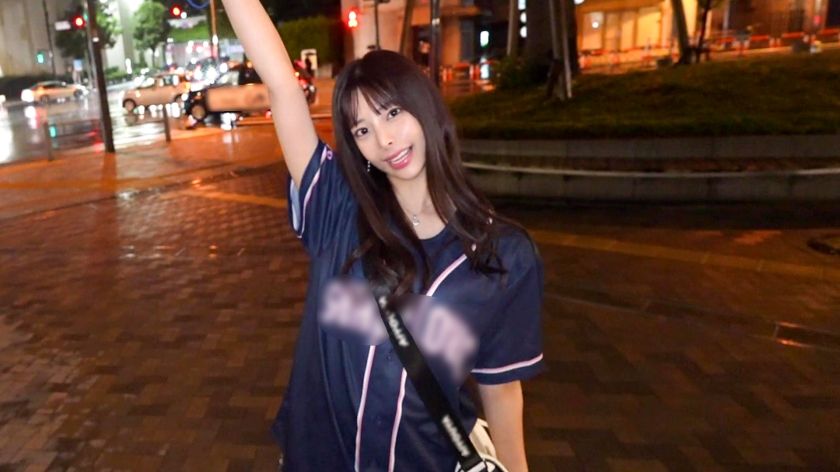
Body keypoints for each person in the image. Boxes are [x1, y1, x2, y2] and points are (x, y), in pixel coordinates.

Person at [221, 1, 544, 470]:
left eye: (393, 112)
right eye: (363, 129)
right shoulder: (337, 209)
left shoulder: (504, 255)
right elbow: (282, 86)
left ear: (424, 106)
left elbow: (501, 390)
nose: (385, 139)